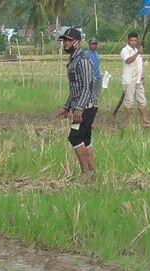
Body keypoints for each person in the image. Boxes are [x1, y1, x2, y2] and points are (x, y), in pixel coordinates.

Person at [57, 28, 97, 184]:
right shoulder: (73, 59)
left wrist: (79, 109)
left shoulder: (84, 59)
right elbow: (75, 88)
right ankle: (93, 174)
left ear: (77, 42)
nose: (66, 43)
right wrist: (67, 107)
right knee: (85, 139)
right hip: (80, 106)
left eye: (69, 40)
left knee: (74, 137)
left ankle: (85, 172)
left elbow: (87, 86)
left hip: (87, 106)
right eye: (64, 40)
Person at [121, 32, 150, 126]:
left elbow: (139, 65)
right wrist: (138, 52)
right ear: (128, 40)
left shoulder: (136, 51)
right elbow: (129, 61)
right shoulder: (125, 50)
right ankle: (128, 122)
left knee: (142, 101)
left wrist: (142, 77)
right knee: (129, 102)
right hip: (129, 80)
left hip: (138, 80)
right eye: (132, 40)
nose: (133, 42)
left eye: (135, 40)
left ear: (137, 41)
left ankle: (145, 120)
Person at [87, 38, 102, 106]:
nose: (94, 45)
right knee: (91, 95)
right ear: (89, 45)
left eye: (96, 44)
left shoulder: (97, 54)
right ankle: (91, 109)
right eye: (92, 44)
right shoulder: (86, 54)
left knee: (97, 95)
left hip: (98, 77)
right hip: (91, 78)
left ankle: (95, 108)